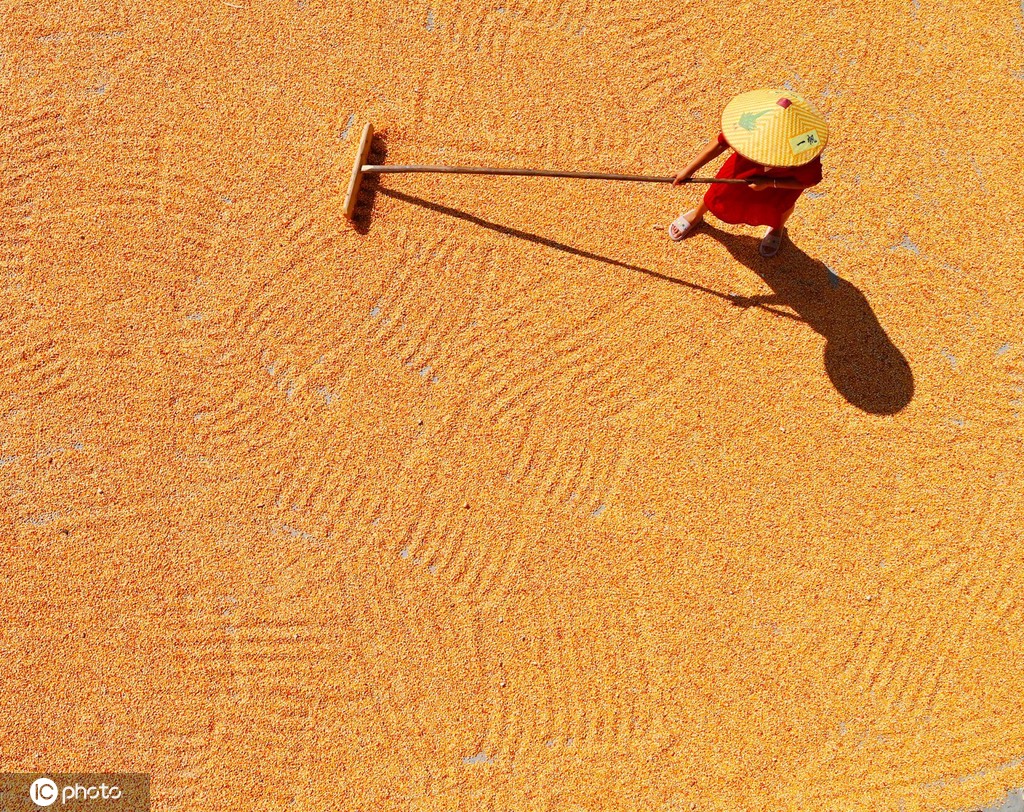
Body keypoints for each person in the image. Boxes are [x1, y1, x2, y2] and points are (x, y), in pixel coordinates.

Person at [668, 89, 828, 257]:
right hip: (742, 170)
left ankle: (776, 228)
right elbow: (721, 143)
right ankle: (697, 214)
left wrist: (769, 183)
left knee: (780, 208)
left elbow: (808, 181)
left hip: (780, 186)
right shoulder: (753, 124)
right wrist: (688, 170)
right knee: (717, 192)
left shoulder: (804, 147)